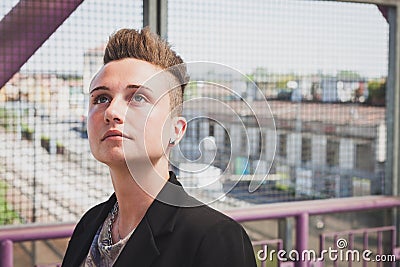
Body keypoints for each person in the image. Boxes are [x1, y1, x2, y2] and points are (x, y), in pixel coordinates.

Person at [62, 27, 256, 267]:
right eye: (101, 98)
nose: (112, 112)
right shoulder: (88, 224)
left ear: (177, 130)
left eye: (138, 98)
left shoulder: (214, 239)